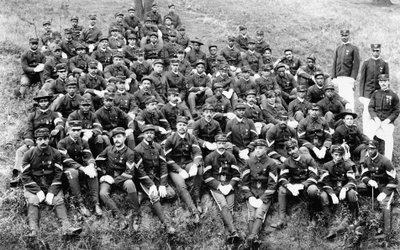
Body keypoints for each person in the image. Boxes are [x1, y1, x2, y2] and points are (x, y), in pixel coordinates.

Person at [21, 128, 82, 237]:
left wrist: (52, 191)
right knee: (33, 200)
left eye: (45, 139)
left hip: (51, 184)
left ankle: (67, 228)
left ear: (49, 139)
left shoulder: (56, 153)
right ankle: (33, 231)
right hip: (34, 185)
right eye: (40, 139)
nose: (43, 142)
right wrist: (37, 191)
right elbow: (25, 175)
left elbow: (59, 174)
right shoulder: (28, 154)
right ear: (36, 140)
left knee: (58, 200)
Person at [11, 90, 64, 186]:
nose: (43, 103)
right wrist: (31, 144)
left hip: (49, 142)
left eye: (45, 101)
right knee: (20, 151)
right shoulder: (33, 115)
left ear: (48, 102)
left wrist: (56, 129)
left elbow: (60, 123)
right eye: (41, 101)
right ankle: (18, 174)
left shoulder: (53, 114)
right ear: (38, 103)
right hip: (36, 141)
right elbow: (28, 130)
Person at [96, 127, 143, 228]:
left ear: (124, 138)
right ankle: (119, 216)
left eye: (119, 137)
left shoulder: (130, 152)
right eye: (114, 137)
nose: (116, 139)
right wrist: (102, 176)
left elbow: (129, 173)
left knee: (130, 184)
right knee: (103, 193)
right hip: (109, 177)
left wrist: (114, 180)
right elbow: (97, 162)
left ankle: (136, 214)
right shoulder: (108, 149)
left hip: (122, 178)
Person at [133, 125, 176, 233]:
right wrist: (151, 185)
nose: (149, 135)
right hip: (145, 179)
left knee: (171, 194)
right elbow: (140, 171)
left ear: (154, 134)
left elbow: (163, 165)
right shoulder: (137, 149)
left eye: (151, 133)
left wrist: (162, 184)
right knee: (154, 197)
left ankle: (144, 195)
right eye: (147, 133)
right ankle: (167, 225)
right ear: (143, 134)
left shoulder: (158, 147)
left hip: (156, 176)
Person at [271, 138, 321, 229]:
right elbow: (282, 177)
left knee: (313, 190)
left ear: (297, 147)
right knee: (282, 190)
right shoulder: (287, 162)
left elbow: (314, 176)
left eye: (293, 148)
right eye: (289, 150)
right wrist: (289, 186)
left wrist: (303, 185)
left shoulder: (308, 159)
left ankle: (313, 218)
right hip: (294, 187)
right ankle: (282, 220)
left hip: (307, 184)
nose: (292, 151)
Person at [57, 120, 102, 216]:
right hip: (67, 169)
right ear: (68, 131)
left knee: (93, 171)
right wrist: (83, 168)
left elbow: (88, 155)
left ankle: (96, 203)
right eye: (74, 130)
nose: (76, 132)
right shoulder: (62, 143)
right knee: (73, 172)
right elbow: (66, 160)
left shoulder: (83, 141)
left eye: (78, 130)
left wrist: (90, 165)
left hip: (80, 167)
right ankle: (80, 204)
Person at [164, 116, 203, 223]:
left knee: (199, 169)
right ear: (176, 126)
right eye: (180, 125)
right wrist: (179, 170)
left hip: (187, 163)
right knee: (181, 185)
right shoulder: (170, 139)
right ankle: (193, 210)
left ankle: (197, 199)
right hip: (175, 168)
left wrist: (194, 165)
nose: (182, 127)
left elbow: (197, 152)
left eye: (184, 125)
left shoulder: (191, 137)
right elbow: (167, 158)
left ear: (187, 127)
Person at [204, 134, 241, 243]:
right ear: (215, 144)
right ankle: (233, 231)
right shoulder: (210, 157)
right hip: (216, 186)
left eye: (223, 143)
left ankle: (228, 234)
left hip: (228, 185)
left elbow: (236, 174)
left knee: (230, 207)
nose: (221, 145)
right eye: (219, 143)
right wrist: (219, 186)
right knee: (223, 205)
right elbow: (206, 176)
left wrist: (230, 185)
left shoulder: (231, 157)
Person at [358, 140, 398, 239]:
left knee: (384, 204)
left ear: (377, 149)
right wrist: (368, 181)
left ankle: (387, 233)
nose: (370, 151)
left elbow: (394, 180)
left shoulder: (385, 161)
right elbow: (364, 174)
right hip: (374, 185)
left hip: (386, 185)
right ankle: (360, 220)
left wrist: (384, 193)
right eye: (368, 149)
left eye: (372, 149)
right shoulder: (367, 159)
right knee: (358, 189)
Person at [242, 139, 278, 247]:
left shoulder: (271, 163)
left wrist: (262, 198)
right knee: (251, 215)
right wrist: (249, 196)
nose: (258, 150)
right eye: (256, 148)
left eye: (261, 148)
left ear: (266, 149)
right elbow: (244, 181)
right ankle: (254, 239)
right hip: (252, 192)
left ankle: (251, 238)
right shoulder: (249, 161)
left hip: (265, 193)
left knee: (260, 213)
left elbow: (273, 184)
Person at [320, 145, 359, 240]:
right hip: (331, 189)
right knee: (323, 196)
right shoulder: (326, 165)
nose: (338, 157)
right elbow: (325, 181)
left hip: (343, 189)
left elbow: (352, 180)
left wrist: (344, 189)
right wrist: (332, 194)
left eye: (340, 155)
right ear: (332, 154)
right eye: (336, 154)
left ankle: (355, 218)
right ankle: (330, 224)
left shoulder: (347, 165)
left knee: (352, 194)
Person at [365, 74, 399, 161]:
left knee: (389, 139)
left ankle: (388, 160)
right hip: (376, 120)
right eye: (381, 82)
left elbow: (396, 111)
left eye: (385, 81)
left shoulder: (393, 95)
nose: (383, 83)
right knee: (368, 135)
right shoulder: (376, 94)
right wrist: (375, 118)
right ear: (379, 83)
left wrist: (388, 120)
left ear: (388, 82)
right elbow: (371, 107)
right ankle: (367, 158)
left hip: (387, 122)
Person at [359, 44, 389, 133]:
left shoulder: (384, 64)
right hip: (367, 95)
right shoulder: (366, 63)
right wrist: (361, 95)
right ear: (371, 51)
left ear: (380, 51)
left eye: (377, 51)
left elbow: (387, 80)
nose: (376, 52)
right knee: (367, 115)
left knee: (378, 116)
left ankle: (376, 137)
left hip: (379, 95)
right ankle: (366, 136)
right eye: (374, 51)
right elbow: (362, 80)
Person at [331, 29, 360, 112]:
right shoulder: (338, 49)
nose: (344, 37)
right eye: (342, 36)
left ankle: (350, 117)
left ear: (349, 36)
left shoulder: (353, 48)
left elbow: (356, 65)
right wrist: (333, 77)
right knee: (340, 98)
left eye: (346, 36)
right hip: (339, 78)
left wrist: (353, 78)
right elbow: (334, 63)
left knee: (349, 98)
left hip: (348, 78)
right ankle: (342, 118)